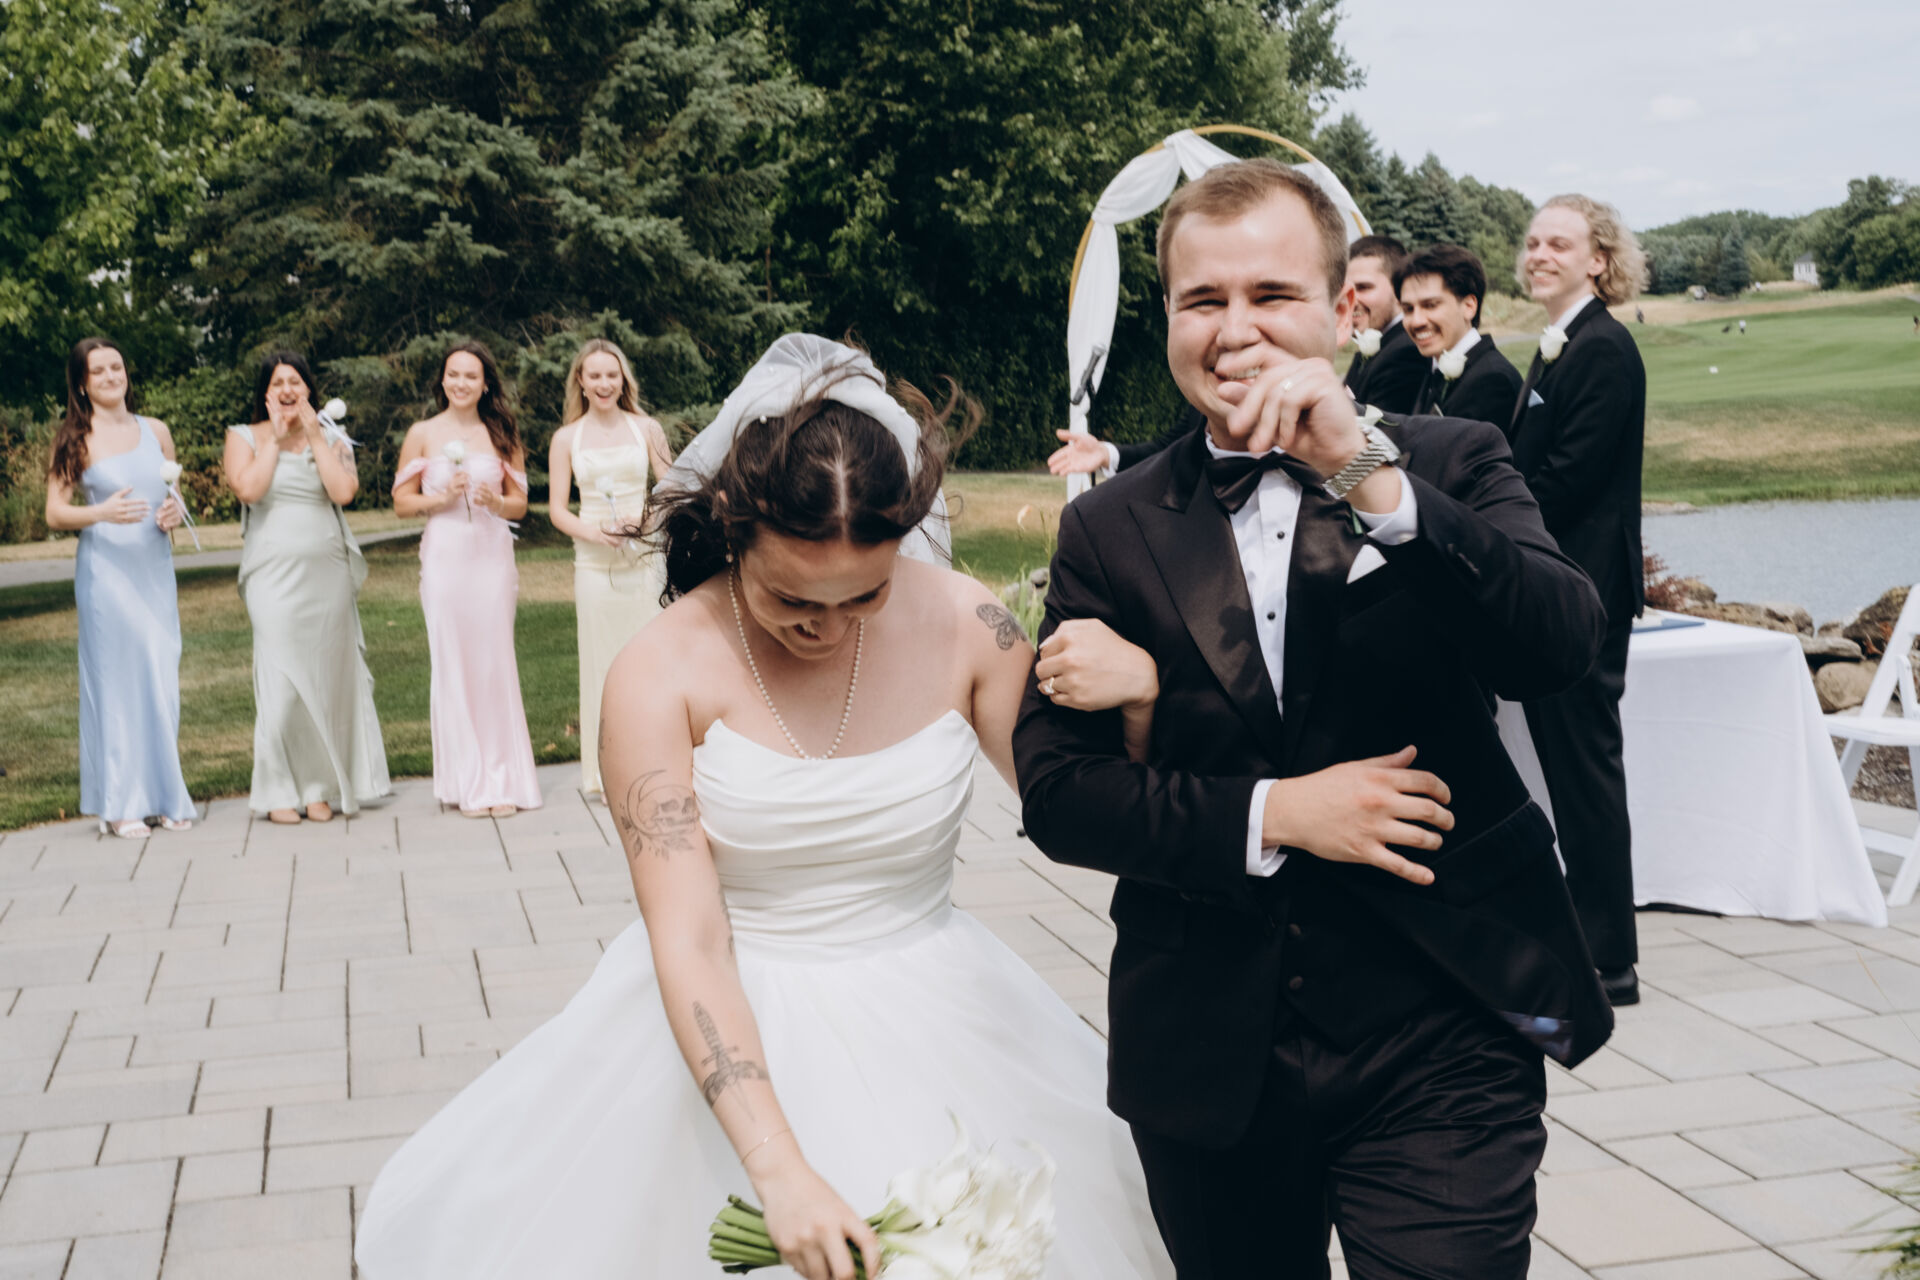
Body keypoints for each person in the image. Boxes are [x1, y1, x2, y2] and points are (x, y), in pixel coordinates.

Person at [354, 335, 1174, 1280]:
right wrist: (777, 1165)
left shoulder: (969, 625)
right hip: (733, 1013)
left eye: (865, 595)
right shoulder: (658, 671)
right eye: (793, 598)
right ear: (734, 530)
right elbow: (691, 938)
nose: (826, 627)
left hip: (950, 1008)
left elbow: (1087, 818)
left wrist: (1141, 707)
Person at [1014, 159, 1612, 1280]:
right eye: (1203, 299)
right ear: (1168, 319)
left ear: (1343, 312)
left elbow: (1558, 644)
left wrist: (1365, 473)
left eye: (1271, 294)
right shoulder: (1110, 527)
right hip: (1207, 1042)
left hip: (1446, 1018)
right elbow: (1058, 796)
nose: (1235, 328)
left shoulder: (1452, 459)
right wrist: (1277, 813)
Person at [1507, 194, 1649, 1006]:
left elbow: (1568, 479)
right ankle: (1586, 934)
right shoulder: (1560, 345)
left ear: (1598, 259)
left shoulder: (1603, 349)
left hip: (1585, 592)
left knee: (1587, 771)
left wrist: (1490, 528)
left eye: (1558, 243)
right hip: (1558, 587)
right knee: (1566, 768)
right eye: (1532, 242)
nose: (1539, 254)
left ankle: (1610, 958)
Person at [223, 352, 390, 824]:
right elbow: (248, 490)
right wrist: (276, 440)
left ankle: (318, 788)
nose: (287, 389)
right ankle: (277, 791)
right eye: (278, 382)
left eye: (295, 381)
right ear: (265, 393)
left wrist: (315, 435)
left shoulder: (332, 437)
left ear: (309, 390)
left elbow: (343, 492)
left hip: (326, 574)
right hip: (272, 574)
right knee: (281, 680)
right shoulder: (243, 436)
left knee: (323, 678)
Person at [43, 338, 197, 837]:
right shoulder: (76, 439)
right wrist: (102, 512)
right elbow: (55, 513)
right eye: (99, 371)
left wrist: (174, 511)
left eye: (117, 366)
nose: (111, 376)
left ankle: (166, 795)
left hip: (154, 569)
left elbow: (173, 495)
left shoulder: (156, 431)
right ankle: (120, 803)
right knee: (116, 684)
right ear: (82, 385)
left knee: (160, 674)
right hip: (106, 575)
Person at [393, 342, 543, 818]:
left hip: (490, 558)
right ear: (443, 380)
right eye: (453, 374)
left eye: (471, 376)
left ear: (485, 384)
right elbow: (401, 503)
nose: (461, 383)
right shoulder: (422, 433)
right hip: (445, 557)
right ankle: (468, 782)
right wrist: (440, 499)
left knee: (493, 662)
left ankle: (504, 778)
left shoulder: (501, 432)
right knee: (453, 661)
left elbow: (520, 503)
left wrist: (495, 501)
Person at [545, 338, 675, 801]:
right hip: (594, 565)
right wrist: (594, 532)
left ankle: (659, 760)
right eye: (595, 375)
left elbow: (672, 489)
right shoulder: (566, 439)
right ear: (581, 381)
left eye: (611, 375)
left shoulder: (647, 429)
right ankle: (605, 772)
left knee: (650, 662)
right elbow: (557, 510)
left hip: (643, 560)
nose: (604, 384)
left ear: (623, 381)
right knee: (601, 663)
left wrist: (643, 521)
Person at [1396, 243, 1524, 425]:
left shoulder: (1491, 381)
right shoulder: (1432, 368)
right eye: (1408, 309)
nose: (1416, 321)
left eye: (1430, 305)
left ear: (1469, 306)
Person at [1340, 234, 1424, 414]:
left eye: (1363, 287)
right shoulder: (1379, 344)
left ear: (1399, 290)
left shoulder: (1406, 353)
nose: (1351, 301)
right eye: (1347, 291)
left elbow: (1380, 427)